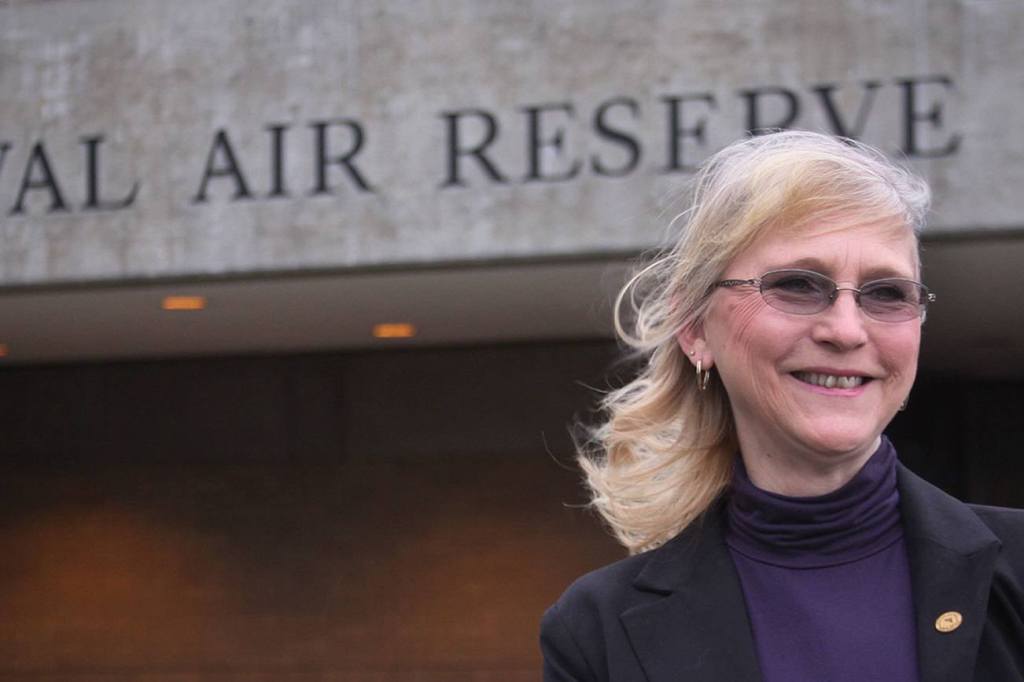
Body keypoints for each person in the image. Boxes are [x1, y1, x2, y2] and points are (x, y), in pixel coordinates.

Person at [540, 131, 1024, 682]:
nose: (846, 330)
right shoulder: (595, 632)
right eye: (797, 285)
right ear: (695, 328)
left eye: (886, 293)